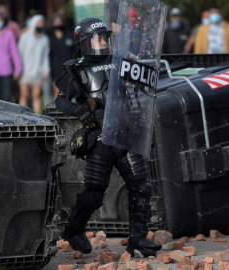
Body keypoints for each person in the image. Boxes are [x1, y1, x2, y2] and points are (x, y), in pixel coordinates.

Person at [54, 18, 162, 257]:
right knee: (94, 192)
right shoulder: (76, 67)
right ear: (84, 41)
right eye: (97, 38)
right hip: (100, 136)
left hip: (125, 133)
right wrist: (79, 111)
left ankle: (138, 240)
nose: (102, 42)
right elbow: (60, 100)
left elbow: (141, 88)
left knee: (141, 186)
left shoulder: (119, 61)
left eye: (104, 37)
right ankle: (72, 230)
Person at [18, 15, 50, 113]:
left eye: (42, 23)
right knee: (24, 95)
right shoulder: (25, 37)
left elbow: (45, 56)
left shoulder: (44, 39)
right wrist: (19, 69)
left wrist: (46, 70)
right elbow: (19, 52)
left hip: (37, 72)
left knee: (36, 96)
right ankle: (20, 116)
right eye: (38, 23)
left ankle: (37, 116)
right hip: (25, 71)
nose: (40, 25)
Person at [48, 13, 74, 97]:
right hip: (55, 70)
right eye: (56, 21)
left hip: (69, 70)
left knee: (70, 92)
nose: (58, 23)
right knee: (57, 93)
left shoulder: (69, 35)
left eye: (60, 21)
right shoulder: (48, 37)